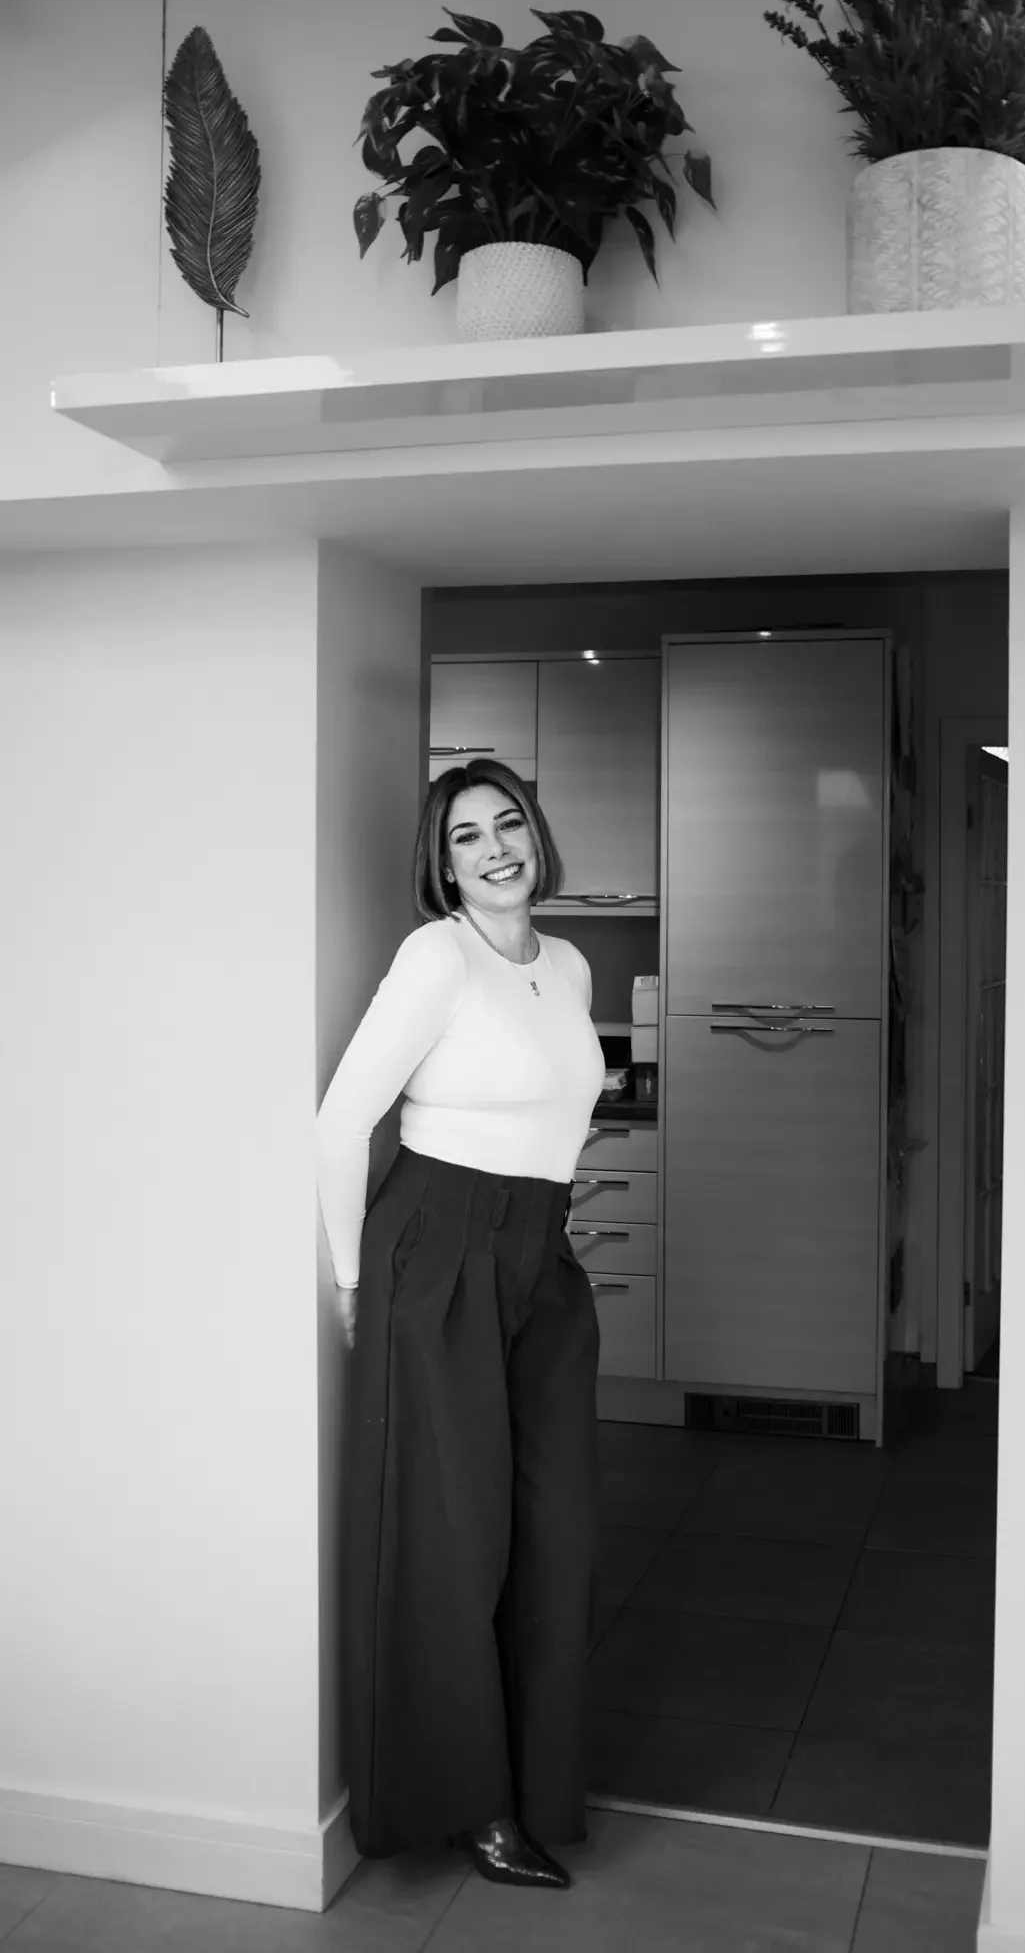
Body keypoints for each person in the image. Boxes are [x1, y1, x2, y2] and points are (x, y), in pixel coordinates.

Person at [315, 758, 606, 1890]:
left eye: (508, 823)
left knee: (555, 1529)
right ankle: (470, 1803)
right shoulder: (436, 956)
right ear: (442, 866)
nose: (494, 849)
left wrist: (544, 1227)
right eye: (466, 836)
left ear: (537, 833)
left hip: (542, 1257)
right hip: (438, 1249)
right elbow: (342, 1120)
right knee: (452, 1538)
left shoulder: (569, 964)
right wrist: (353, 1279)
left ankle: (537, 1782)